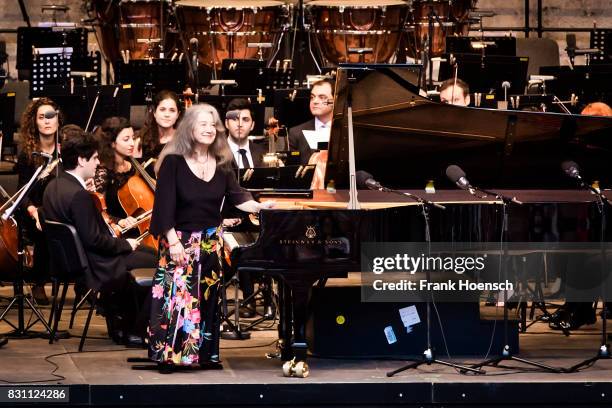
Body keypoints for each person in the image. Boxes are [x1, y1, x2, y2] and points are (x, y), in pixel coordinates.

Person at [148, 103, 274, 372]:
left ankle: (204, 355)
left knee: (207, 300)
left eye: (212, 124)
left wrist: (261, 206)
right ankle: (171, 356)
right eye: (202, 124)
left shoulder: (221, 164)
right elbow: (163, 206)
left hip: (210, 242)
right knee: (178, 301)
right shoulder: (173, 162)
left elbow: (239, 197)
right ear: (189, 128)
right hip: (179, 240)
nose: (208, 129)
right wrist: (172, 242)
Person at [42, 132, 150, 345]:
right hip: (97, 263)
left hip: (72, 261)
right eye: (94, 158)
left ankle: (120, 324)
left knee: (146, 253)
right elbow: (94, 240)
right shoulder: (78, 195)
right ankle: (136, 330)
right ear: (82, 160)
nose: (98, 162)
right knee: (159, 261)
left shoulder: (54, 185)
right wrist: (125, 244)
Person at [14, 98, 62, 305]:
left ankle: (82, 281)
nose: (47, 121)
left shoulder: (65, 149)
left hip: (61, 207)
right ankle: (38, 282)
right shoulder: (27, 154)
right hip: (34, 208)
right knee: (44, 221)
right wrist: (33, 210)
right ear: (35, 122)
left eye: (51, 116)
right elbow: (22, 192)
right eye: (42, 117)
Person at [93, 117, 140, 229]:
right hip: (119, 231)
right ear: (113, 143)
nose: (132, 143)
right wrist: (120, 221)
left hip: (139, 225)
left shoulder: (133, 167)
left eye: (133, 138)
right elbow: (98, 212)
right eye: (126, 139)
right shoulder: (102, 173)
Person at [288, 79, 334, 165]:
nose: (315, 101)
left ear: (335, 100)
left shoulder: (348, 131)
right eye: (312, 97)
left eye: (322, 97)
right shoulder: (296, 133)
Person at [135, 90, 182, 162]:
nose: (167, 115)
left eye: (172, 110)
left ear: (178, 115)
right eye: (162, 110)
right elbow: (136, 172)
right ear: (154, 113)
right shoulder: (141, 141)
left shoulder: (185, 140)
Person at [225, 98, 266, 169]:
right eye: (235, 119)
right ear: (226, 123)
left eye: (245, 120)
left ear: (252, 125)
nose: (240, 124)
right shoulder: (215, 153)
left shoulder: (263, 152)